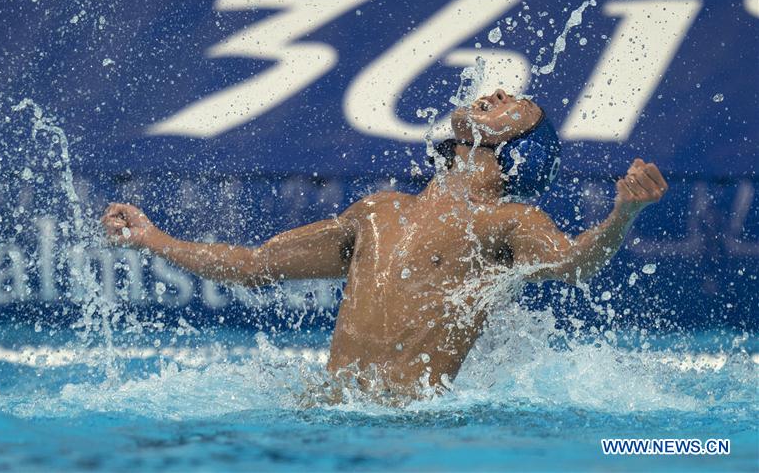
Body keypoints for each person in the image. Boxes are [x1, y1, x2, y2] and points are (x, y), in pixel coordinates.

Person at [101, 90, 668, 399]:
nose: (496, 92)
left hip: (408, 426)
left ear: (519, 151)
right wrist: (155, 238)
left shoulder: (509, 221)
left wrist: (622, 214)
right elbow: (256, 265)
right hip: (324, 411)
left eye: (516, 104)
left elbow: (573, 263)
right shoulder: (379, 211)